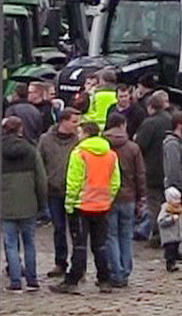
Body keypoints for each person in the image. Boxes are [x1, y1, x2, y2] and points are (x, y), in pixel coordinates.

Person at [52, 121, 119, 294]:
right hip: (102, 205)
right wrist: (108, 198)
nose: (79, 135)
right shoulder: (110, 154)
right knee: (100, 245)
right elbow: (115, 182)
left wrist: (69, 204)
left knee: (80, 245)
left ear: (87, 134)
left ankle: (73, 280)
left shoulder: (79, 154)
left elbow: (74, 181)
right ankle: (104, 279)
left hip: (82, 205)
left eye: (81, 132)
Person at [0, 116, 48, 292]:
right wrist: (43, 204)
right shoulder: (31, 150)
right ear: (21, 130)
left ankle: (15, 281)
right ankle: (32, 280)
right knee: (29, 243)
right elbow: (41, 180)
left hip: (6, 203)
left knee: (10, 244)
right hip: (29, 203)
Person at [101, 111, 146, 287]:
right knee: (126, 235)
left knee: (111, 235)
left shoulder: (103, 145)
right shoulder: (133, 147)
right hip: (129, 197)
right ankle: (125, 271)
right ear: (123, 125)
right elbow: (140, 174)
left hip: (108, 196)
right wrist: (141, 196)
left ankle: (116, 272)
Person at [37, 108, 82, 277]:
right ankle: (60, 262)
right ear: (63, 121)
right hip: (54, 191)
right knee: (59, 228)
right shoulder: (46, 140)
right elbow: (39, 162)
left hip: (74, 191)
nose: (77, 126)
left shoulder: (78, 140)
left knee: (76, 230)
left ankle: (78, 265)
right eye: (74, 121)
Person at [132, 90, 173, 240]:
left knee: (154, 204)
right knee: (168, 203)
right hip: (170, 167)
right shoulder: (171, 120)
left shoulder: (150, 123)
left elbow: (140, 145)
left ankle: (157, 234)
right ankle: (169, 235)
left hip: (153, 169)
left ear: (150, 107)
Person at [156, 186, 182, 272]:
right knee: (170, 251)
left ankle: (174, 262)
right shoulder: (165, 209)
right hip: (168, 236)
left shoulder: (178, 208)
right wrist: (171, 219)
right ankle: (170, 264)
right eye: (175, 199)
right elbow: (160, 221)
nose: (178, 202)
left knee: (175, 249)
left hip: (176, 235)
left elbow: (181, 217)